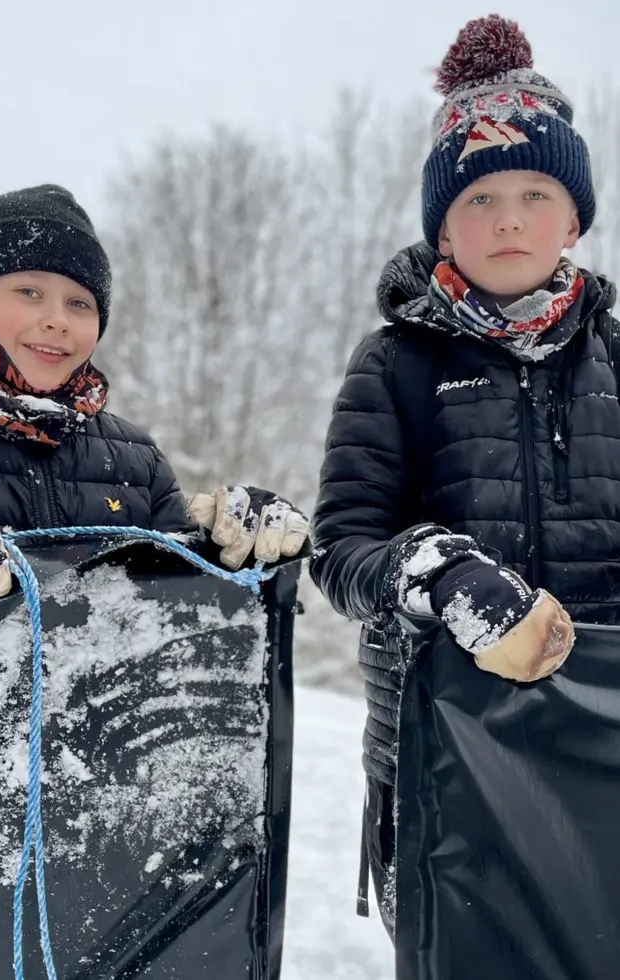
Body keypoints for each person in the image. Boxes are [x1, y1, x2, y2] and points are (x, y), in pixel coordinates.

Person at [310, 13, 617, 936]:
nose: (509, 218)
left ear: (575, 216)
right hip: (441, 753)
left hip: (607, 747)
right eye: (479, 198)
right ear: (443, 222)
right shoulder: (393, 363)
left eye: (534, 192)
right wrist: (437, 575)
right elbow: (341, 550)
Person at [0, 183, 308, 612]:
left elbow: (176, 612)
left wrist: (238, 541)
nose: (58, 320)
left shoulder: (136, 461)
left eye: (80, 303)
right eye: (29, 292)